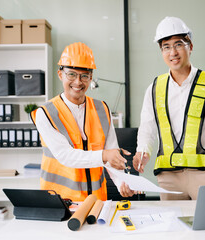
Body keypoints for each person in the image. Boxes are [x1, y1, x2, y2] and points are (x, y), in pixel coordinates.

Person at [132, 17, 205, 200]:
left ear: (190, 46)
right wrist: (143, 151)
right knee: (174, 228)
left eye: (178, 44)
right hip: (168, 179)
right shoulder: (154, 88)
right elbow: (147, 129)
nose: (172, 52)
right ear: (161, 52)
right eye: (166, 47)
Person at [31, 42, 135, 201]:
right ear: (60, 75)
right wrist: (105, 155)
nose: (78, 82)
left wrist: (122, 183)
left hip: (97, 203)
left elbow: (111, 154)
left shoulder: (102, 109)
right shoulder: (45, 113)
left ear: (90, 77)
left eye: (84, 75)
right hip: (60, 203)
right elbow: (66, 156)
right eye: (71, 74)